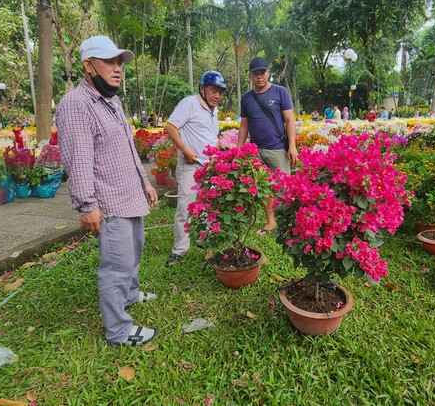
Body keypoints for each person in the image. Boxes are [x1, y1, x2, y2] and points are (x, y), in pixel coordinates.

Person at [55, 35, 159, 348]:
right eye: (110, 62)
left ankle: (129, 295)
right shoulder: (76, 105)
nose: (118, 69)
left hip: (130, 195)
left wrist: (145, 182)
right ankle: (118, 331)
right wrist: (87, 206)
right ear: (88, 66)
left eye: (119, 63)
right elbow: (79, 159)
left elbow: (128, 146)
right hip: (109, 202)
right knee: (117, 266)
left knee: (133, 253)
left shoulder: (110, 100)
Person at [164, 71, 227, 266]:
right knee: (185, 207)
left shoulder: (214, 110)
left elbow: (210, 136)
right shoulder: (189, 103)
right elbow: (171, 126)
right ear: (202, 88)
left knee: (207, 206)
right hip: (191, 166)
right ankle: (179, 250)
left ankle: (203, 238)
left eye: (220, 92)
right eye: (213, 90)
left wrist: (220, 152)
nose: (217, 96)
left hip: (209, 166)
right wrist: (185, 150)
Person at [237, 57, 298, 235]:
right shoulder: (246, 98)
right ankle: (271, 222)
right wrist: (239, 149)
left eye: (262, 73)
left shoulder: (280, 92)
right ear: (250, 76)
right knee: (263, 188)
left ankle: (289, 223)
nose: (259, 77)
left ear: (268, 73)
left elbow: (289, 120)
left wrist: (292, 146)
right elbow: (244, 125)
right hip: (255, 151)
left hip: (277, 148)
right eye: (255, 74)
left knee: (283, 187)